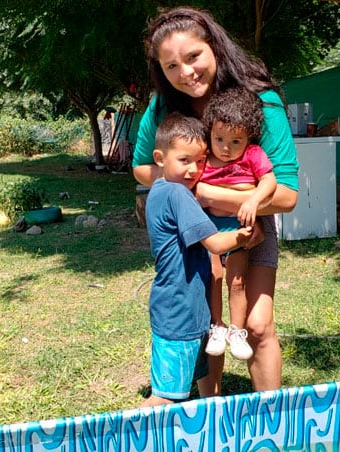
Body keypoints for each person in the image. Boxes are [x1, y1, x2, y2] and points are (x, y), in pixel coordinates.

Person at [133, 6, 299, 394]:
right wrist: (200, 192)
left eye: (193, 57)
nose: (185, 72)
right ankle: (212, 414)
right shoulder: (162, 108)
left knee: (257, 326)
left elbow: (287, 195)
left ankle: (272, 420)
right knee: (208, 324)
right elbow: (142, 167)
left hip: (249, 229)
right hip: (196, 235)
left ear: (216, 48)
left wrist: (208, 192)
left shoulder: (260, 102)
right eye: (171, 66)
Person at [141, 112, 252, 407]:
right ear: (160, 158)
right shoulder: (178, 194)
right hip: (179, 313)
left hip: (184, 309)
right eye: (184, 160)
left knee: (192, 388)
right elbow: (215, 243)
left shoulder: (159, 191)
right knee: (165, 399)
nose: (194, 169)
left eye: (201, 161)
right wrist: (246, 235)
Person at [200, 87, 276, 362]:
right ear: (209, 133)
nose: (226, 148)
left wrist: (253, 201)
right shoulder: (204, 157)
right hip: (208, 230)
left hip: (239, 230)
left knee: (237, 280)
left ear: (249, 138)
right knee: (213, 278)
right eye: (219, 139)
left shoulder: (252, 155)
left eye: (235, 141)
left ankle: (236, 330)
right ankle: (216, 326)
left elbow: (269, 181)